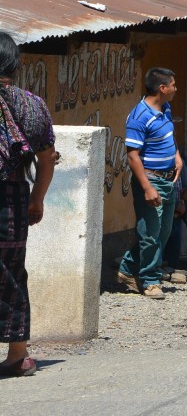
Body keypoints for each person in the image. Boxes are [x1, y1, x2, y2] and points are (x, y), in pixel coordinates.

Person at [0, 31, 57, 378]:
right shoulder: (32, 104)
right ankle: (18, 354)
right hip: (14, 201)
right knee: (11, 271)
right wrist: (38, 199)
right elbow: (47, 157)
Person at [117, 67, 183, 300]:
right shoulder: (139, 116)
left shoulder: (165, 108)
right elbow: (133, 155)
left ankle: (126, 269)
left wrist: (177, 157)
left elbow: (169, 135)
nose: (176, 88)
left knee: (162, 233)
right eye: (173, 85)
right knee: (150, 235)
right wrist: (146, 187)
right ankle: (149, 280)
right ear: (162, 88)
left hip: (167, 180)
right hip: (151, 179)